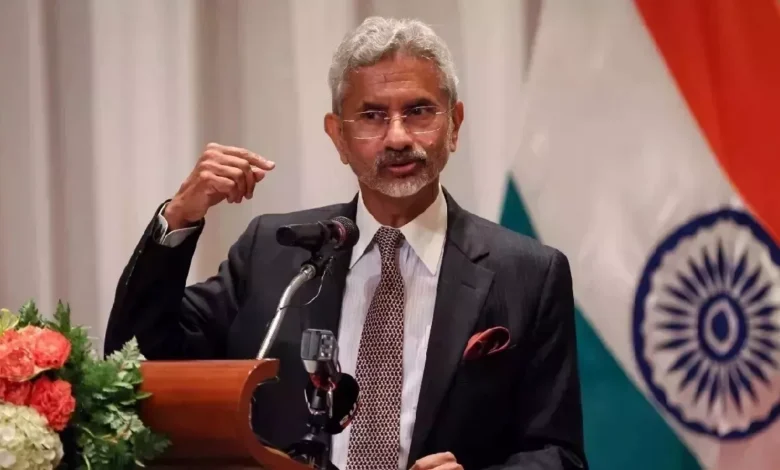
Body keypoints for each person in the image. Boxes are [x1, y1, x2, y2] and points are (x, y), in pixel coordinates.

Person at [104, 16, 587, 470]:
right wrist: (179, 217)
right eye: (372, 116)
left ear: (455, 124)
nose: (397, 137)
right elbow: (139, 363)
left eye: (419, 111)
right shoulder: (274, 253)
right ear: (338, 136)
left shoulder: (527, 273)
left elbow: (557, 452)